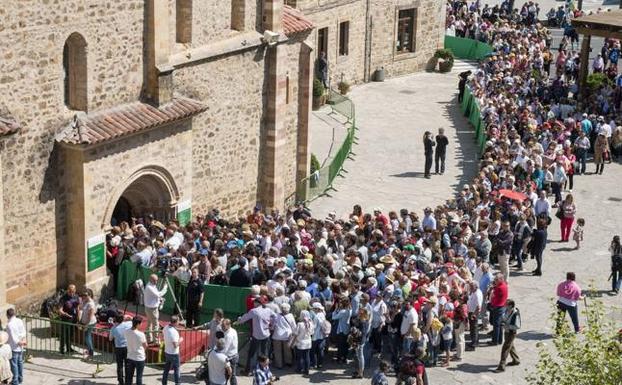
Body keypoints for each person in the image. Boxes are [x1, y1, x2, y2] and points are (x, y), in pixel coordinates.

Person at [236, 297, 276, 374]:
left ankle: (247, 371)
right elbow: (275, 317)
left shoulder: (254, 311)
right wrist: (272, 326)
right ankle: (265, 370)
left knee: (251, 353)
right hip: (266, 334)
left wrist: (238, 320)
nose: (254, 303)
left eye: (255, 302)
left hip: (257, 336)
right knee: (265, 353)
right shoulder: (268, 310)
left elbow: (243, 319)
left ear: (258, 303)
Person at [494, 299, 521, 373]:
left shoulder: (515, 314)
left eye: (506, 304)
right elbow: (504, 318)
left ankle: (501, 366)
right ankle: (516, 360)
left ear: (511, 306)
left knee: (505, 349)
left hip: (511, 333)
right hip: (506, 332)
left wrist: (507, 326)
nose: (504, 305)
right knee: (510, 346)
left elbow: (517, 326)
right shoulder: (506, 310)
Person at [143, 274, 168, 345]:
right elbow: (158, 294)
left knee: (149, 323)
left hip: (149, 308)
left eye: (157, 280)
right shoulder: (149, 287)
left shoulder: (151, 285)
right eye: (154, 280)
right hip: (152, 309)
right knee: (156, 325)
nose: (156, 282)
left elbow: (156, 296)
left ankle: (149, 338)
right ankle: (156, 341)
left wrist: (159, 300)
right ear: (150, 280)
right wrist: (165, 288)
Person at [109, 314, 132, 385]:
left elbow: (110, 339)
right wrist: (127, 317)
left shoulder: (113, 328)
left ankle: (121, 381)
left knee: (119, 365)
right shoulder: (128, 324)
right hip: (127, 347)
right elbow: (132, 319)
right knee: (127, 365)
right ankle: (128, 381)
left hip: (118, 348)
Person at [125, 316, 147, 385]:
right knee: (139, 377)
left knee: (129, 377)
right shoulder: (141, 334)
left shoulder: (126, 331)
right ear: (138, 324)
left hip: (130, 356)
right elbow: (145, 345)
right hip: (139, 358)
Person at [271, 303, 295, 369]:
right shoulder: (291, 316)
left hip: (277, 335)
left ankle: (279, 364)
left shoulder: (276, 316)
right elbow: (293, 326)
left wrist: (272, 329)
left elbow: (273, 325)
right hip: (287, 335)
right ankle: (288, 362)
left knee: (277, 351)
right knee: (287, 350)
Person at [57, 284, 79, 355]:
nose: (71, 293)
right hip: (66, 319)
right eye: (70, 291)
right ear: (67, 290)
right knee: (64, 334)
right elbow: (60, 310)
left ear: (75, 290)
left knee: (71, 334)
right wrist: (65, 314)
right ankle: (62, 349)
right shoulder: (63, 298)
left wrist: (78, 317)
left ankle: (69, 348)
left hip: (74, 318)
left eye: (73, 291)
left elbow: (77, 307)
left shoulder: (76, 296)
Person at [5, 309, 25, 385]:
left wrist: (20, 342)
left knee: (14, 365)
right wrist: (23, 341)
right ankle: (20, 378)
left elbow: (13, 339)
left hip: (14, 347)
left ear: (7, 315)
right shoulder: (19, 320)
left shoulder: (9, 324)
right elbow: (23, 332)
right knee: (20, 363)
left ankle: (15, 381)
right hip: (21, 346)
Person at [292, 310, 314, 376]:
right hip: (308, 342)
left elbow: (295, 334)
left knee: (300, 357)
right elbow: (312, 333)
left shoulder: (299, 324)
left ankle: (299, 369)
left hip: (300, 342)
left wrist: (293, 342)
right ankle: (306, 370)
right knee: (307, 356)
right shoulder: (311, 323)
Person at [162, 316, 183, 385]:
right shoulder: (174, 332)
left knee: (166, 370)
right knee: (176, 370)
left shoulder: (165, 327)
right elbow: (175, 345)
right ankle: (177, 383)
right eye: (178, 321)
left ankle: (164, 383)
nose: (179, 322)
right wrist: (180, 340)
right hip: (174, 354)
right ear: (175, 322)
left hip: (167, 352)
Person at [488, 273, 508, 346]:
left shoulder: (499, 288)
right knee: (500, 324)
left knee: (496, 325)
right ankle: (499, 340)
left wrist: (492, 289)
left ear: (501, 279)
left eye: (496, 279)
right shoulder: (504, 285)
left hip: (497, 307)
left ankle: (495, 341)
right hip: (502, 306)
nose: (495, 281)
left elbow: (493, 296)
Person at [78, 290, 97, 359]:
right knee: (87, 336)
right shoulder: (84, 301)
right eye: (83, 295)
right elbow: (80, 308)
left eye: (85, 295)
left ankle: (91, 352)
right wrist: (80, 320)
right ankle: (89, 350)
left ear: (89, 295)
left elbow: (90, 316)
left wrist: (86, 325)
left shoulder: (91, 304)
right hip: (85, 322)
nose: (84, 296)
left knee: (87, 337)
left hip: (90, 323)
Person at [221, 319, 239, 385]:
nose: (222, 327)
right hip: (233, 355)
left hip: (230, 358)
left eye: (223, 326)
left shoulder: (229, 335)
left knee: (226, 376)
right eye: (222, 325)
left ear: (229, 325)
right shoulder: (233, 330)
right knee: (232, 375)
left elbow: (225, 349)